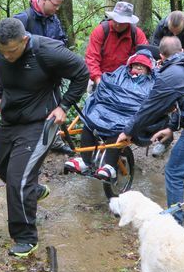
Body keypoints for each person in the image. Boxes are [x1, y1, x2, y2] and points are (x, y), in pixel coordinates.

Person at [0, 18, 88, 257]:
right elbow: (1, 72)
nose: (7, 56)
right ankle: (33, 191)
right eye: (3, 51)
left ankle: (25, 238)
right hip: (11, 119)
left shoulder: (48, 51)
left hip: (41, 122)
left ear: (24, 40)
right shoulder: (0, 48)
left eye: (12, 51)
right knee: (3, 168)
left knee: (18, 179)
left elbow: (82, 73)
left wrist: (63, 106)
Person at [116, 36, 184, 226]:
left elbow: (149, 108)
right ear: (182, 50)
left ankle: (174, 224)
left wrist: (127, 131)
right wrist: (171, 127)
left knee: (174, 172)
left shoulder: (170, 75)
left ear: (161, 56)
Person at [64, 49, 160, 180]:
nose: (138, 68)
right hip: (107, 108)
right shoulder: (120, 73)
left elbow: (152, 101)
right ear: (130, 65)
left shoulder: (153, 81)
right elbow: (106, 86)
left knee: (119, 128)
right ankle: (85, 161)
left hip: (129, 114)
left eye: (142, 66)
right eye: (136, 64)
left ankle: (109, 166)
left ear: (149, 69)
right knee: (89, 122)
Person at [15, 0, 72, 155]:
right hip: (28, 77)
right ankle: (27, 149)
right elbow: (11, 46)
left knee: (55, 108)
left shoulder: (54, 20)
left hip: (51, 76)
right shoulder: (23, 19)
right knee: (30, 113)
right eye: (55, 4)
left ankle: (54, 141)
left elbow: (62, 41)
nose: (57, 8)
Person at [84, 1, 149, 91]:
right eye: (116, 20)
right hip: (100, 75)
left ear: (128, 22)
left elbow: (145, 57)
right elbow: (92, 58)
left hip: (127, 80)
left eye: (121, 22)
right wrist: (98, 80)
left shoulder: (137, 34)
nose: (118, 25)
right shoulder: (101, 31)